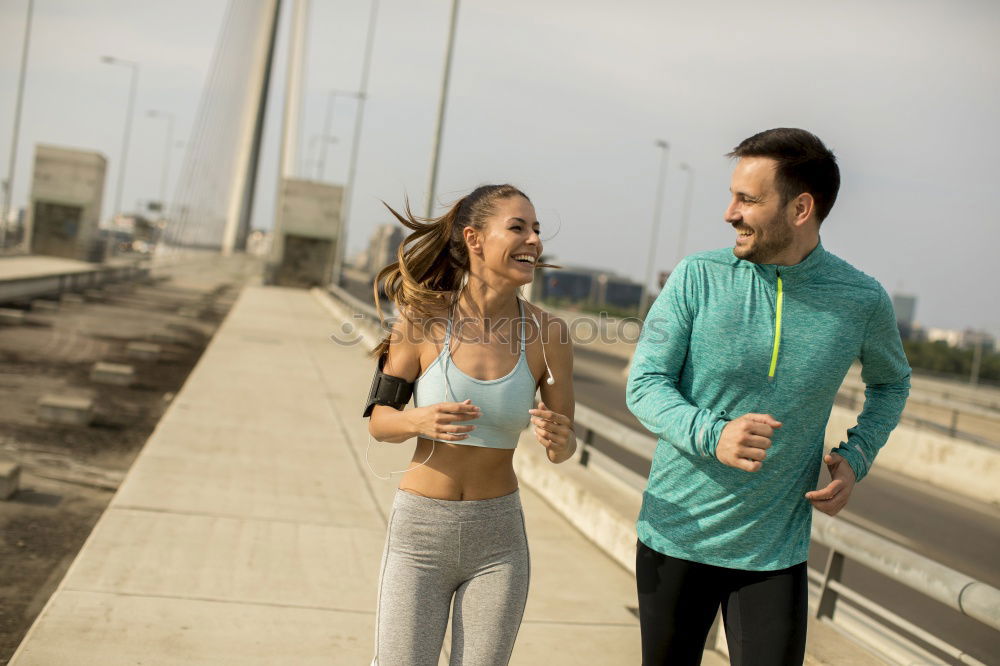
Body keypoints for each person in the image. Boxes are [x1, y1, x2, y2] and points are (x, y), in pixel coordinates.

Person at [626, 128, 910, 665]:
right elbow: (644, 384)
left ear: (801, 208)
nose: (729, 212)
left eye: (748, 200)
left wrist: (855, 458)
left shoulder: (860, 299)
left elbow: (892, 382)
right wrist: (714, 434)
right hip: (676, 538)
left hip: (774, 551)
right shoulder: (697, 277)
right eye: (732, 195)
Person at [364, 184, 577, 666]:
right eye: (518, 227)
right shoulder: (421, 321)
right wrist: (418, 419)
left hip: (498, 540)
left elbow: (564, 446)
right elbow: (379, 422)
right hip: (420, 534)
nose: (534, 240)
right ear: (475, 239)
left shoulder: (550, 335)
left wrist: (559, 439)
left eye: (537, 229)